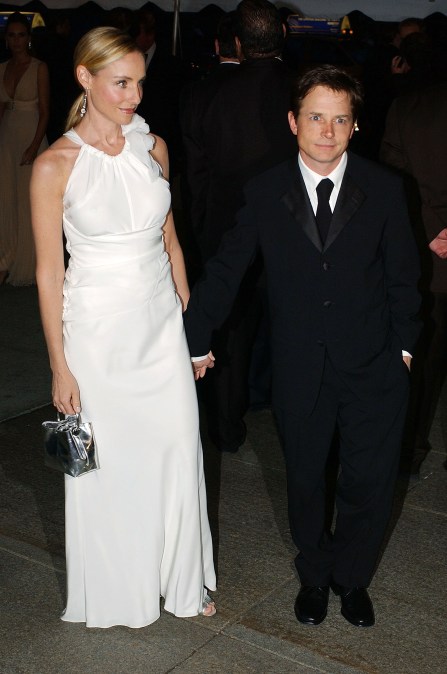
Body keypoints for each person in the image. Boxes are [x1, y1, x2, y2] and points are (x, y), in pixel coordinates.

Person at [184, 65, 421, 627]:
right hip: (299, 366)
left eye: (340, 120)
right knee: (306, 479)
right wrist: (195, 338)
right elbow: (227, 269)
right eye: (316, 117)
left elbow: (403, 276)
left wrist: (405, 349)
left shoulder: (385, 189)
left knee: (368, 482)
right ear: (293, 121)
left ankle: (352, 577)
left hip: (374, 364)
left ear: (355, 126)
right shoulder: (266, 190)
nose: (327, 132)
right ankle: (315, 574)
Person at [30, 26, 216, 629]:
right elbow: (49, 273)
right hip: (99, 335)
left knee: (178, 446)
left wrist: (193, 328)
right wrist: (60, 366)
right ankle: (119, 589)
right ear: (85, 78)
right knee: (112, 465)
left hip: (160, 325)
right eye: (121, 83)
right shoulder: (54, 165)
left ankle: (180, 579)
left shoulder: (152, 147)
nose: (134, 96)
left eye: (139, 82)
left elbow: (170, 241)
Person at [182, 0, 296, 453]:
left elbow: (197, 178)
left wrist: (203, 235)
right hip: (297, 233)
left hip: (226, 233)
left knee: (231, 330)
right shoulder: (305, 90)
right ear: (282, 34)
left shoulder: (205, 94)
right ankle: (294, 426)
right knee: (296, 330)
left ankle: (227, 429)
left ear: (237, 43)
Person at [381, 82, 447, 474]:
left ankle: (410, 451)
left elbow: (391, 183)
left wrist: (432, 229)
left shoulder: (409, 106)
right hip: (428, 256)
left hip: (428, 255)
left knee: (422, 361)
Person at [0, 12, 49, 286]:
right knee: (6, 200)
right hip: (7, 138)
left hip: (32, 136)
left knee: (29, 201)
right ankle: (5, 261)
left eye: (21, 35)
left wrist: (34, 146)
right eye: (12, 35)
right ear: (6, 39)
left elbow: (45, 112)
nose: (16, 40)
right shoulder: (2, 68)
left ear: (28, 39)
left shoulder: (39, 68)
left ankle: (28, 264)